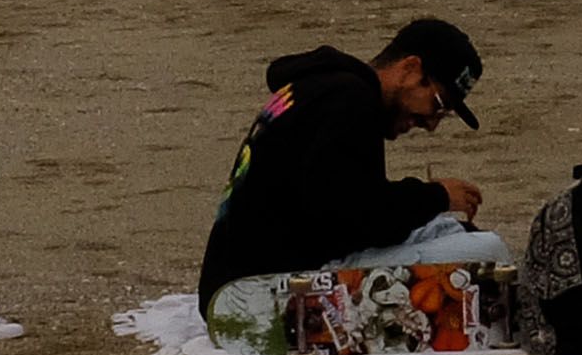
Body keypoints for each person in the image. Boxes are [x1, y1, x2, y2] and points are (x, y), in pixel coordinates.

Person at [196, 18, 488, 317]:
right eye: (438, 103)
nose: (431, 123)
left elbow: (337, 202)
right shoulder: (349, 100)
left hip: (235, 279)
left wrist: (426, 203)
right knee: (485, 253)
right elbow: (357, 221)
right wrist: (436, 197)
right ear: (410, 68)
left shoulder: (324, 88)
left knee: (451, 232)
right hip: (257, 294)